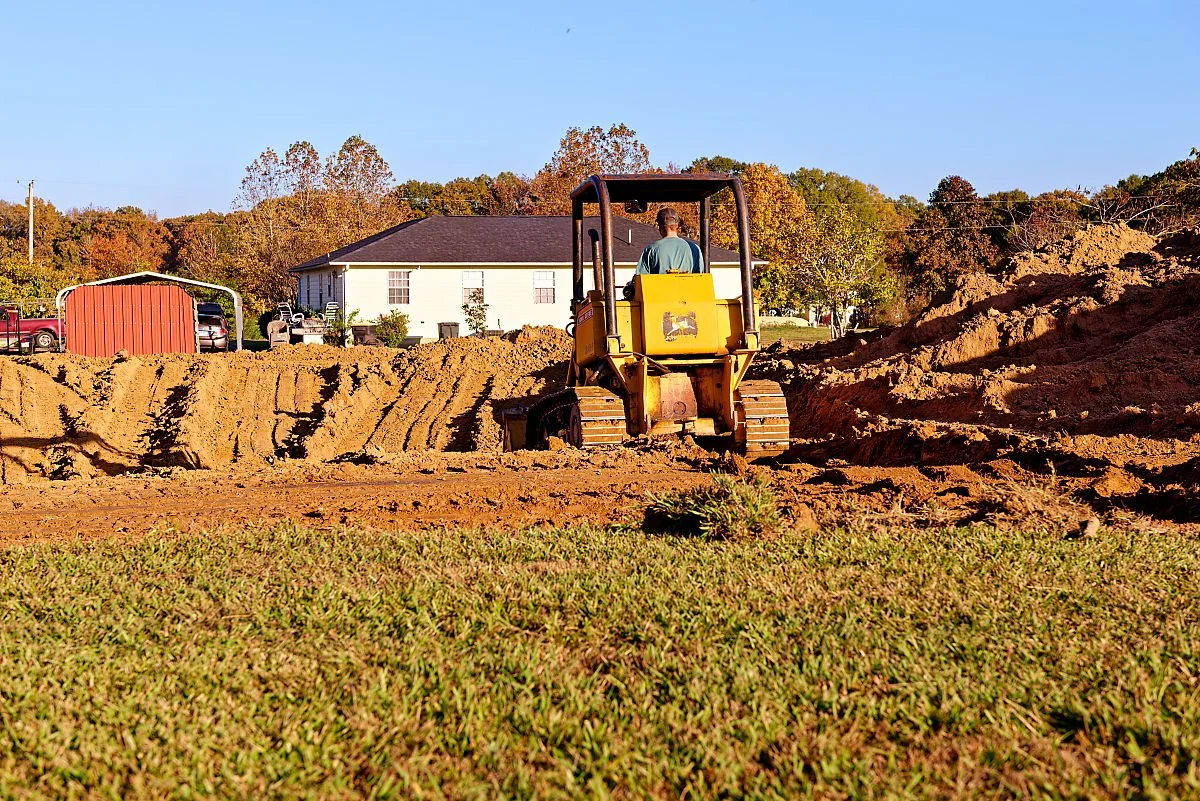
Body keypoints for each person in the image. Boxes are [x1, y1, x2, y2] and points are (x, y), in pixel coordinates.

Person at [623, 207, 704, 298]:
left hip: (658, 303)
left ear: (660, 227)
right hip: (689, 303)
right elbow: (700, 279)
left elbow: (639, 281)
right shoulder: (694, 249)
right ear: (677, 225)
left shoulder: (651, 249)